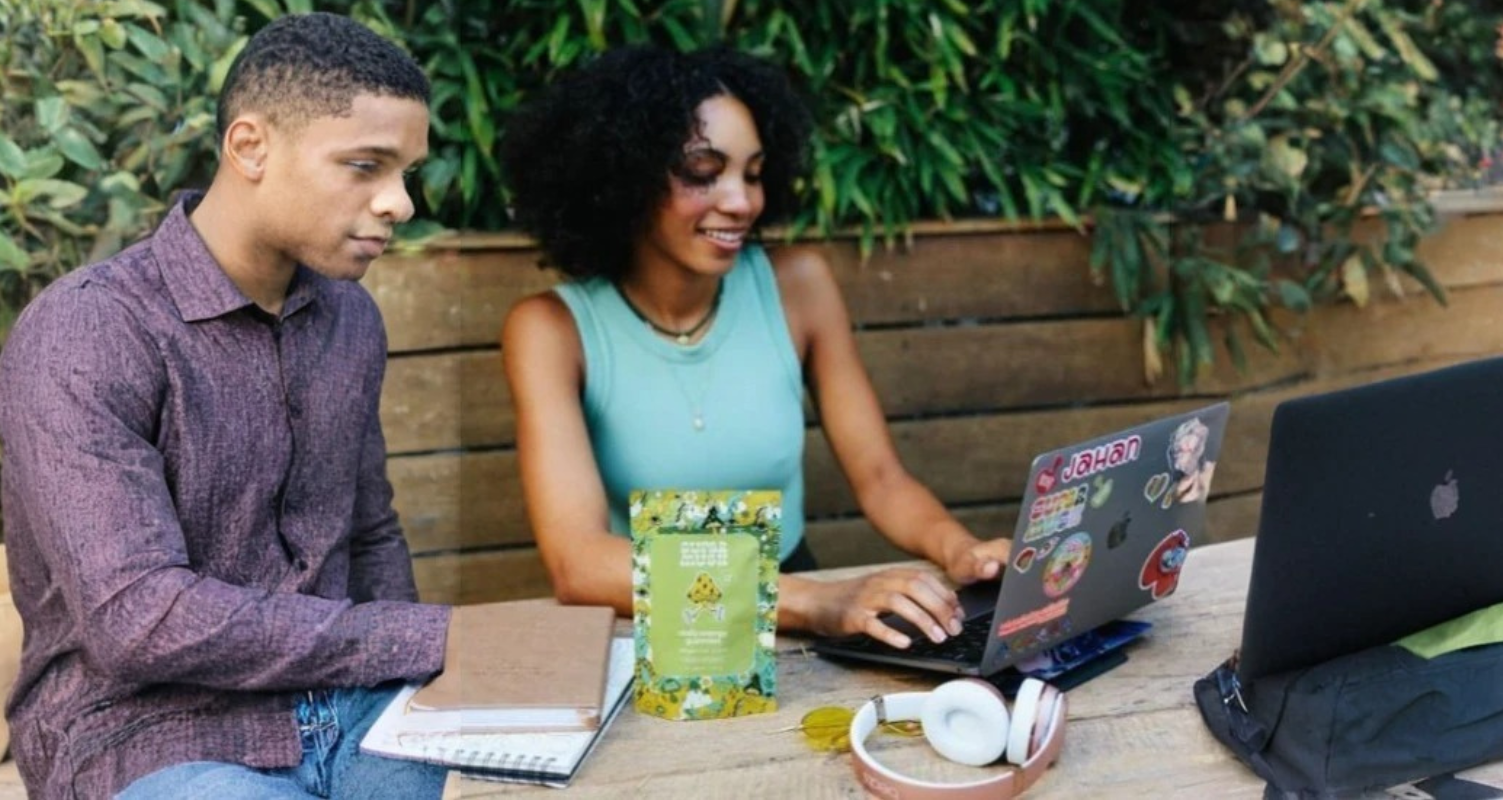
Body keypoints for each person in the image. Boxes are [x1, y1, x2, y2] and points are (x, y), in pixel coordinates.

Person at [0, 14, 455, 798]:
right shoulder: (90, 328)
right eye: (366, 166)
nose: (400, 202)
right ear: (249, 147)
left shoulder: (350, 321)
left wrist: (413, 687)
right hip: (144, 736)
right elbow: (138, 619)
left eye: (407, 172)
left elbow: (369, 530)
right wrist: (423, 636)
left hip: (349, 716)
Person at [499, 45, 1011, 650]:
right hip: (658, 630)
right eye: (702, 171)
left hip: (796, 623)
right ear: (625, 177)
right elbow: (578, 562)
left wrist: (960, 550)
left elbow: (879, 477)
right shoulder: (551, 328)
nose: (741, 201)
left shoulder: (799, 287)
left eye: (753, 172)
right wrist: (816, 601)